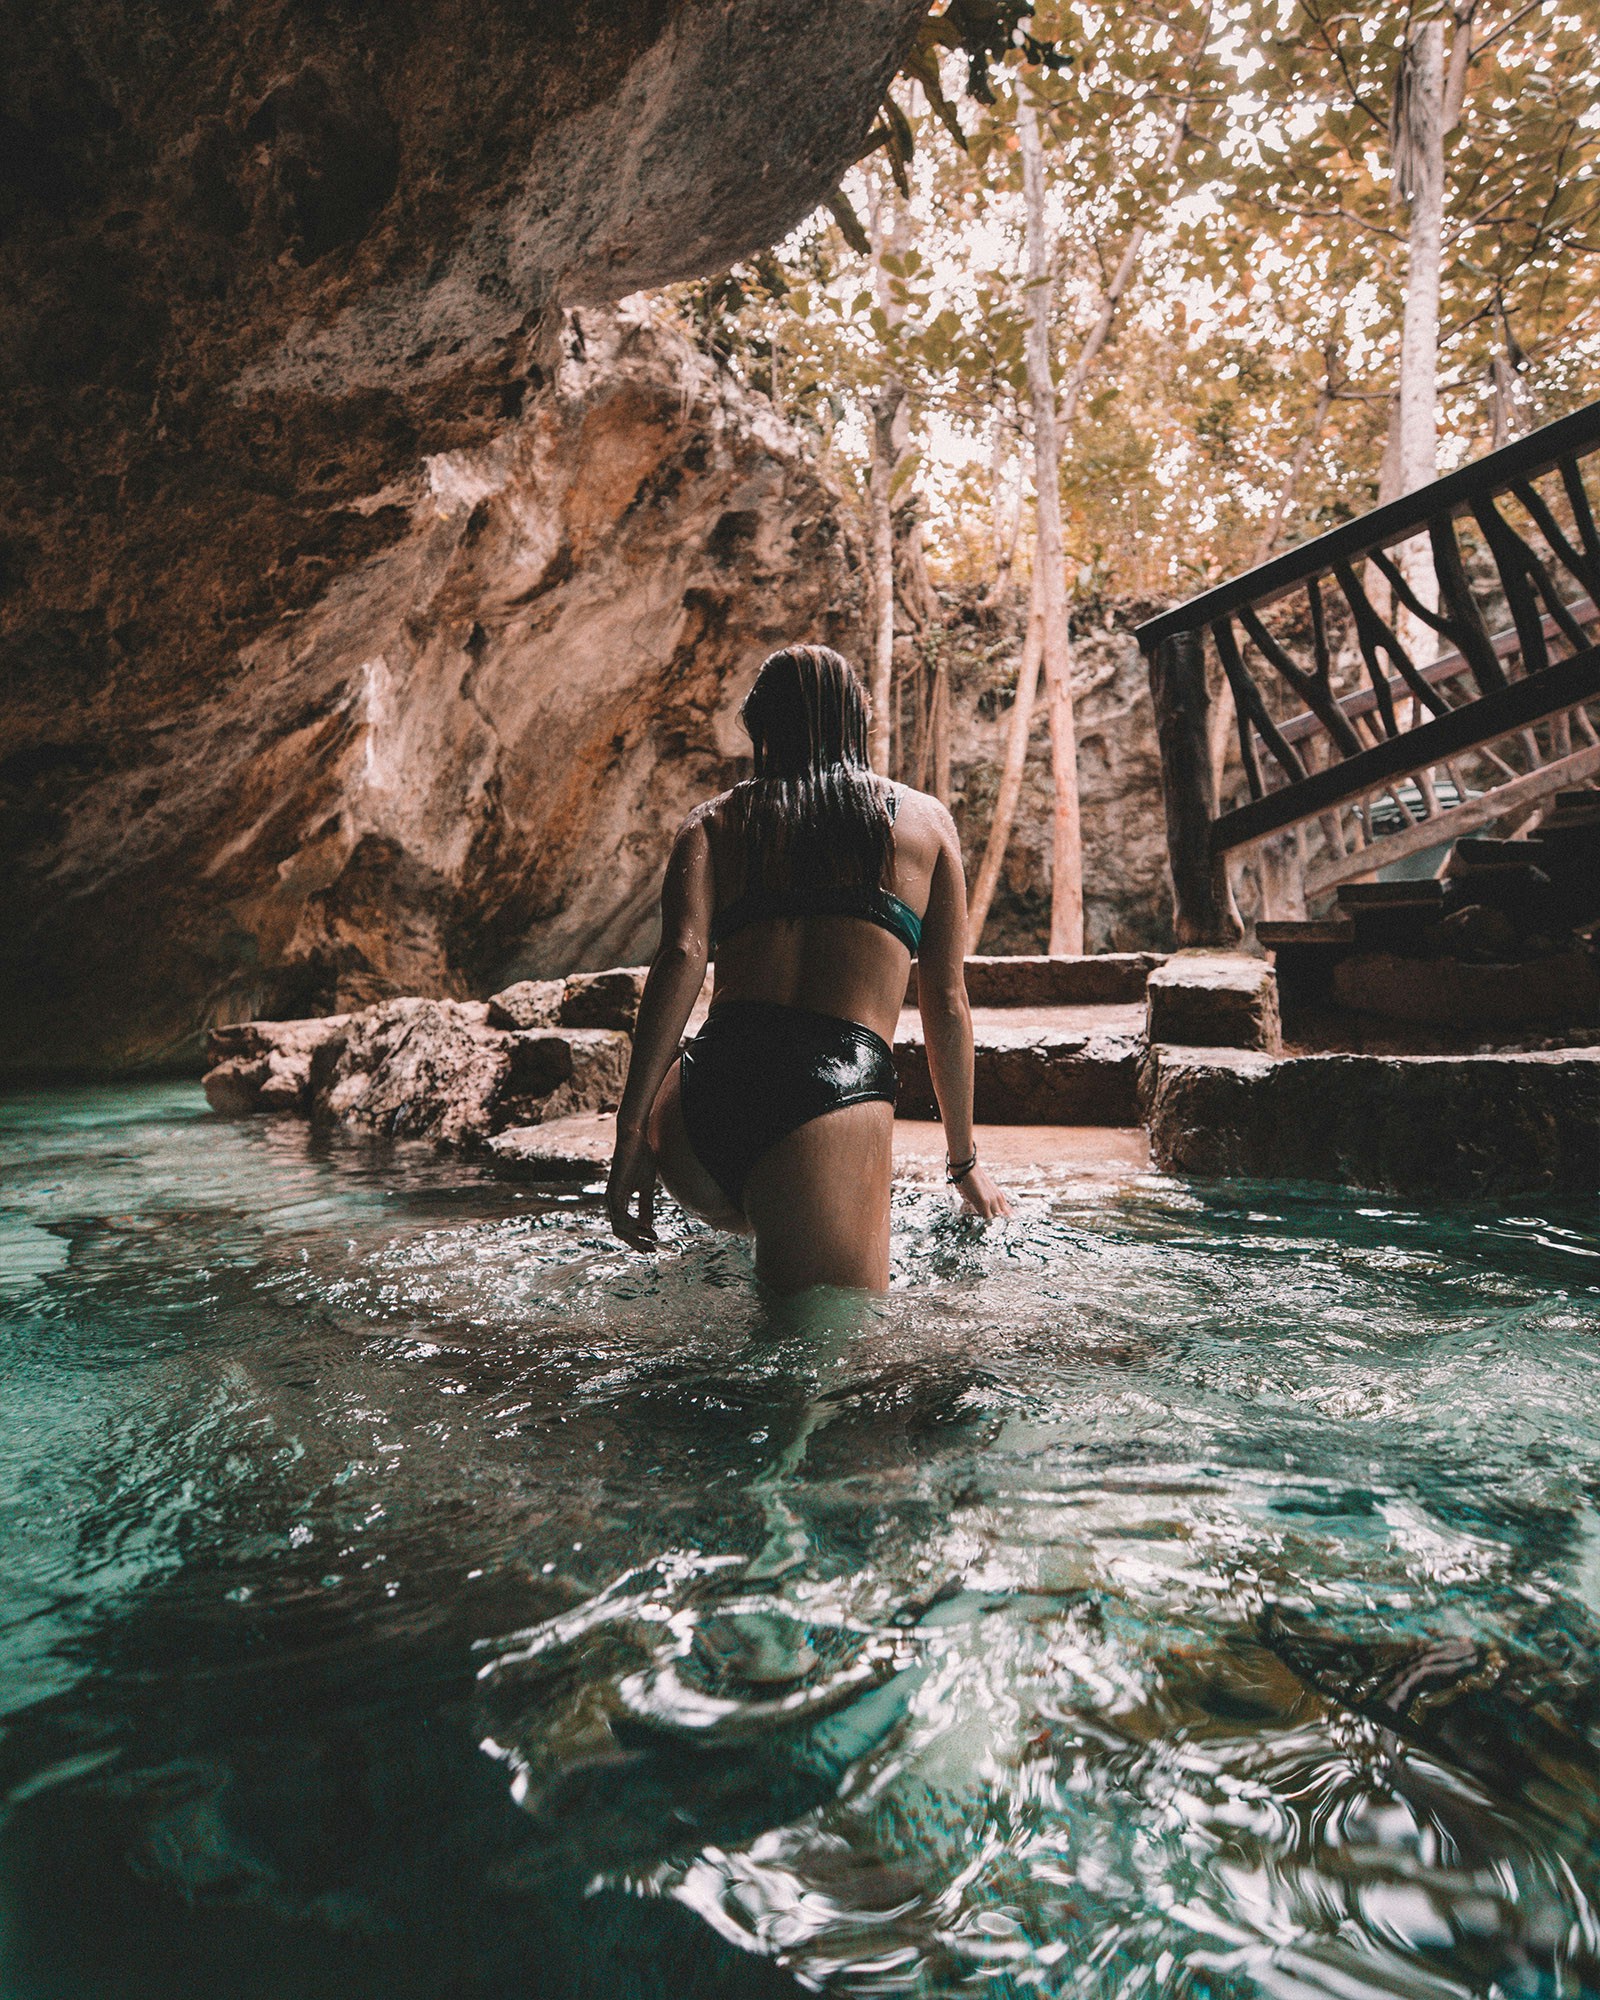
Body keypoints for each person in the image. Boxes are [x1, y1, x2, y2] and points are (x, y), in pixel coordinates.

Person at [606, 644, 1011, 1293]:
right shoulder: (925, 824)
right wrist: (963, 1163)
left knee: (757, 1244)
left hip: (696, 1111)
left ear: (762, 725)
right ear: (859, 721)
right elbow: (946, 1000)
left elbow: (680, 957)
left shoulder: (713, 823)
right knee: (821, 1349)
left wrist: (631, 1133)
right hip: (827, 1102)